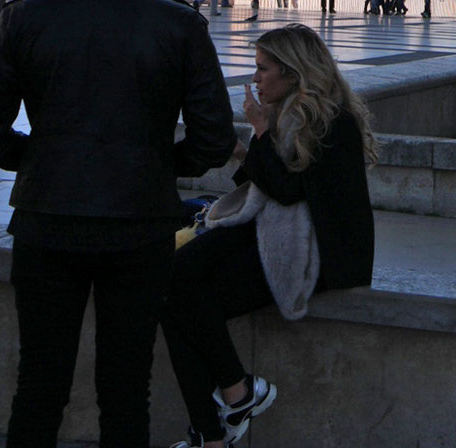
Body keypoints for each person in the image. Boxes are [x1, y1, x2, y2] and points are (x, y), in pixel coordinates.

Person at [0, 0, 234, 448]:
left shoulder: (26, 19)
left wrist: (39, 157)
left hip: (48, 217)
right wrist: (154, 161)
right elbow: (212, 141)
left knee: (39, 384)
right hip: (139, 223)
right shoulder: (178, 24)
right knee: (126, 389)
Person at [160, 24, 375, 448]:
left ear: (293, 72)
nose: (255, 79)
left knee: (177, 287)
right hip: (278, 231)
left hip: (314, 252)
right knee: (173, 290)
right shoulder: (293, 113)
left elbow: (288, 190)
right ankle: (216, 428)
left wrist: (258, 131)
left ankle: (235, 397)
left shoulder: (332, 122)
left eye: (262, 69)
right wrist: (243, 150)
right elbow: (273, 183)